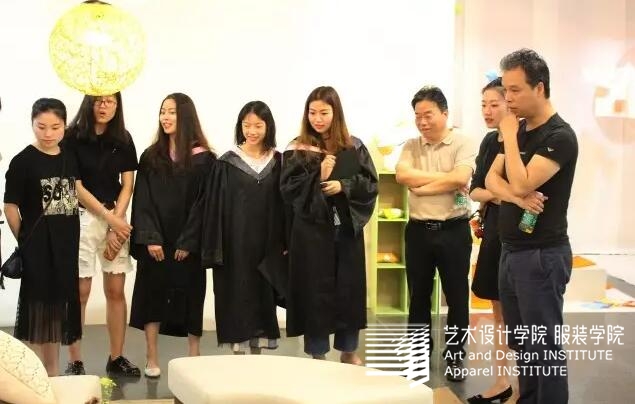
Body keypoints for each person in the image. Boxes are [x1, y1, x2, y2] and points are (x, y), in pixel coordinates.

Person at [3, 98, 131, 376]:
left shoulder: (68, 157)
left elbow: (78, 190)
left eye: (55, 127)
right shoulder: (23, 161)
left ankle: (52, 372)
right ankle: (36, 374)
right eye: (41, 127)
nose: (48, 133)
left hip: (66, 244)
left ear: (64, 126)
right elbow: (10, 206)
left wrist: (111, 219)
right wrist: (24, 240)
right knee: (38, 308)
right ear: (32, 124)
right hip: (38, 246)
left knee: (57, 309)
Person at [485, 49, 578, 404]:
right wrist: (518, 198)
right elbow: (491, 179)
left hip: (542, 255)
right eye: (505, 89)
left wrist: (509, 136)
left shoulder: (559, 136)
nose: (507, 99)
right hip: (512, 250)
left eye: (515, 90)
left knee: (544, 348)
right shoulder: (521, 128)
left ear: (539, 88)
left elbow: (523, 180)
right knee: (523, 344)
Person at [280, 86, 378, 364]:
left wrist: (343, 186)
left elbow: (370, 184)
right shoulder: (297, 148)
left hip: (344, 229)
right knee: (315, 293)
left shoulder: (352, 146)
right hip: (311, 234)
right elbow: (287, 190)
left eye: (324, 112)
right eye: (312, 112)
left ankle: (348, 350)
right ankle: (318, 352)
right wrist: (319, 177)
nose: (317, 119)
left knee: (348, 291)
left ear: (336, 113)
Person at [129, 93, 214, 378]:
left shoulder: (204, 160)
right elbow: (143, 199)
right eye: (163, 111)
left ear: (185, 116)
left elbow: (205, 204)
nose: (165, 117)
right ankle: (151, 355)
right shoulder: (151, 156)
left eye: (172, 112)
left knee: (192, 295)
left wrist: (189, 241)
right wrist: (150, 237)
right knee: (152, 295)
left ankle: (194, 354)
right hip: (157, 240)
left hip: (187, 242)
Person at [395, 86, 476, 381]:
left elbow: (461, 177)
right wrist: (446, 179)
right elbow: (402, 175)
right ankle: (418, 355)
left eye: (428, 114)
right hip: (418, 232)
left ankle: (455, 356)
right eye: (417, 116)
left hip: (454, 230)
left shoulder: (463, 142)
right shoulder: (410, 146)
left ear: (444, 113)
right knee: (418, 297)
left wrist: (424, 186)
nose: (422, 121)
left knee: (457, 297)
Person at [200, 101, 287, 355]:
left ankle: (257, 358)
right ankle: (237, 356)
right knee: (236, 298)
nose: (252, 131)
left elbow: (285, 206)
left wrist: (285, 243)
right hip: (234, 246)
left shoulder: (278, 161)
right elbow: (214, 208)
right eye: (246, 125)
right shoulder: (226, 163)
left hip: (266, 246)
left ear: (268, 127)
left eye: (258, 125)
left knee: (263, 298)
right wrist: (215, 248)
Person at [63, 92, 140, 377]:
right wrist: (110, 220)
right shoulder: (72, 137)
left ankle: (116, 357)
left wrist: (115, 224)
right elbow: (75, 186)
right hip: (83, 218)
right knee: (80, 292)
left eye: (110, 101)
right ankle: (75, 361)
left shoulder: (123, 138)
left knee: (116, 290)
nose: (104, 106)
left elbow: (127, 184)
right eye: (99, 100)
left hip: (115, 216)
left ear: (118, 105)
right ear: (89, 102)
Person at [467, 77, 517, 403]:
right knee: (498, 311)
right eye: (483, 104)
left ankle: (524, 388)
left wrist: (498, 192)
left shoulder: (523, 139)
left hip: (518, 234)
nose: (487, 110)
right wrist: (499, 194)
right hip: (494, 229)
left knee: (518, 315)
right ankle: (502, 381)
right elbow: (475, 189)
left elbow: (523, 189)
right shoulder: (489, 141)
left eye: (494, 104)